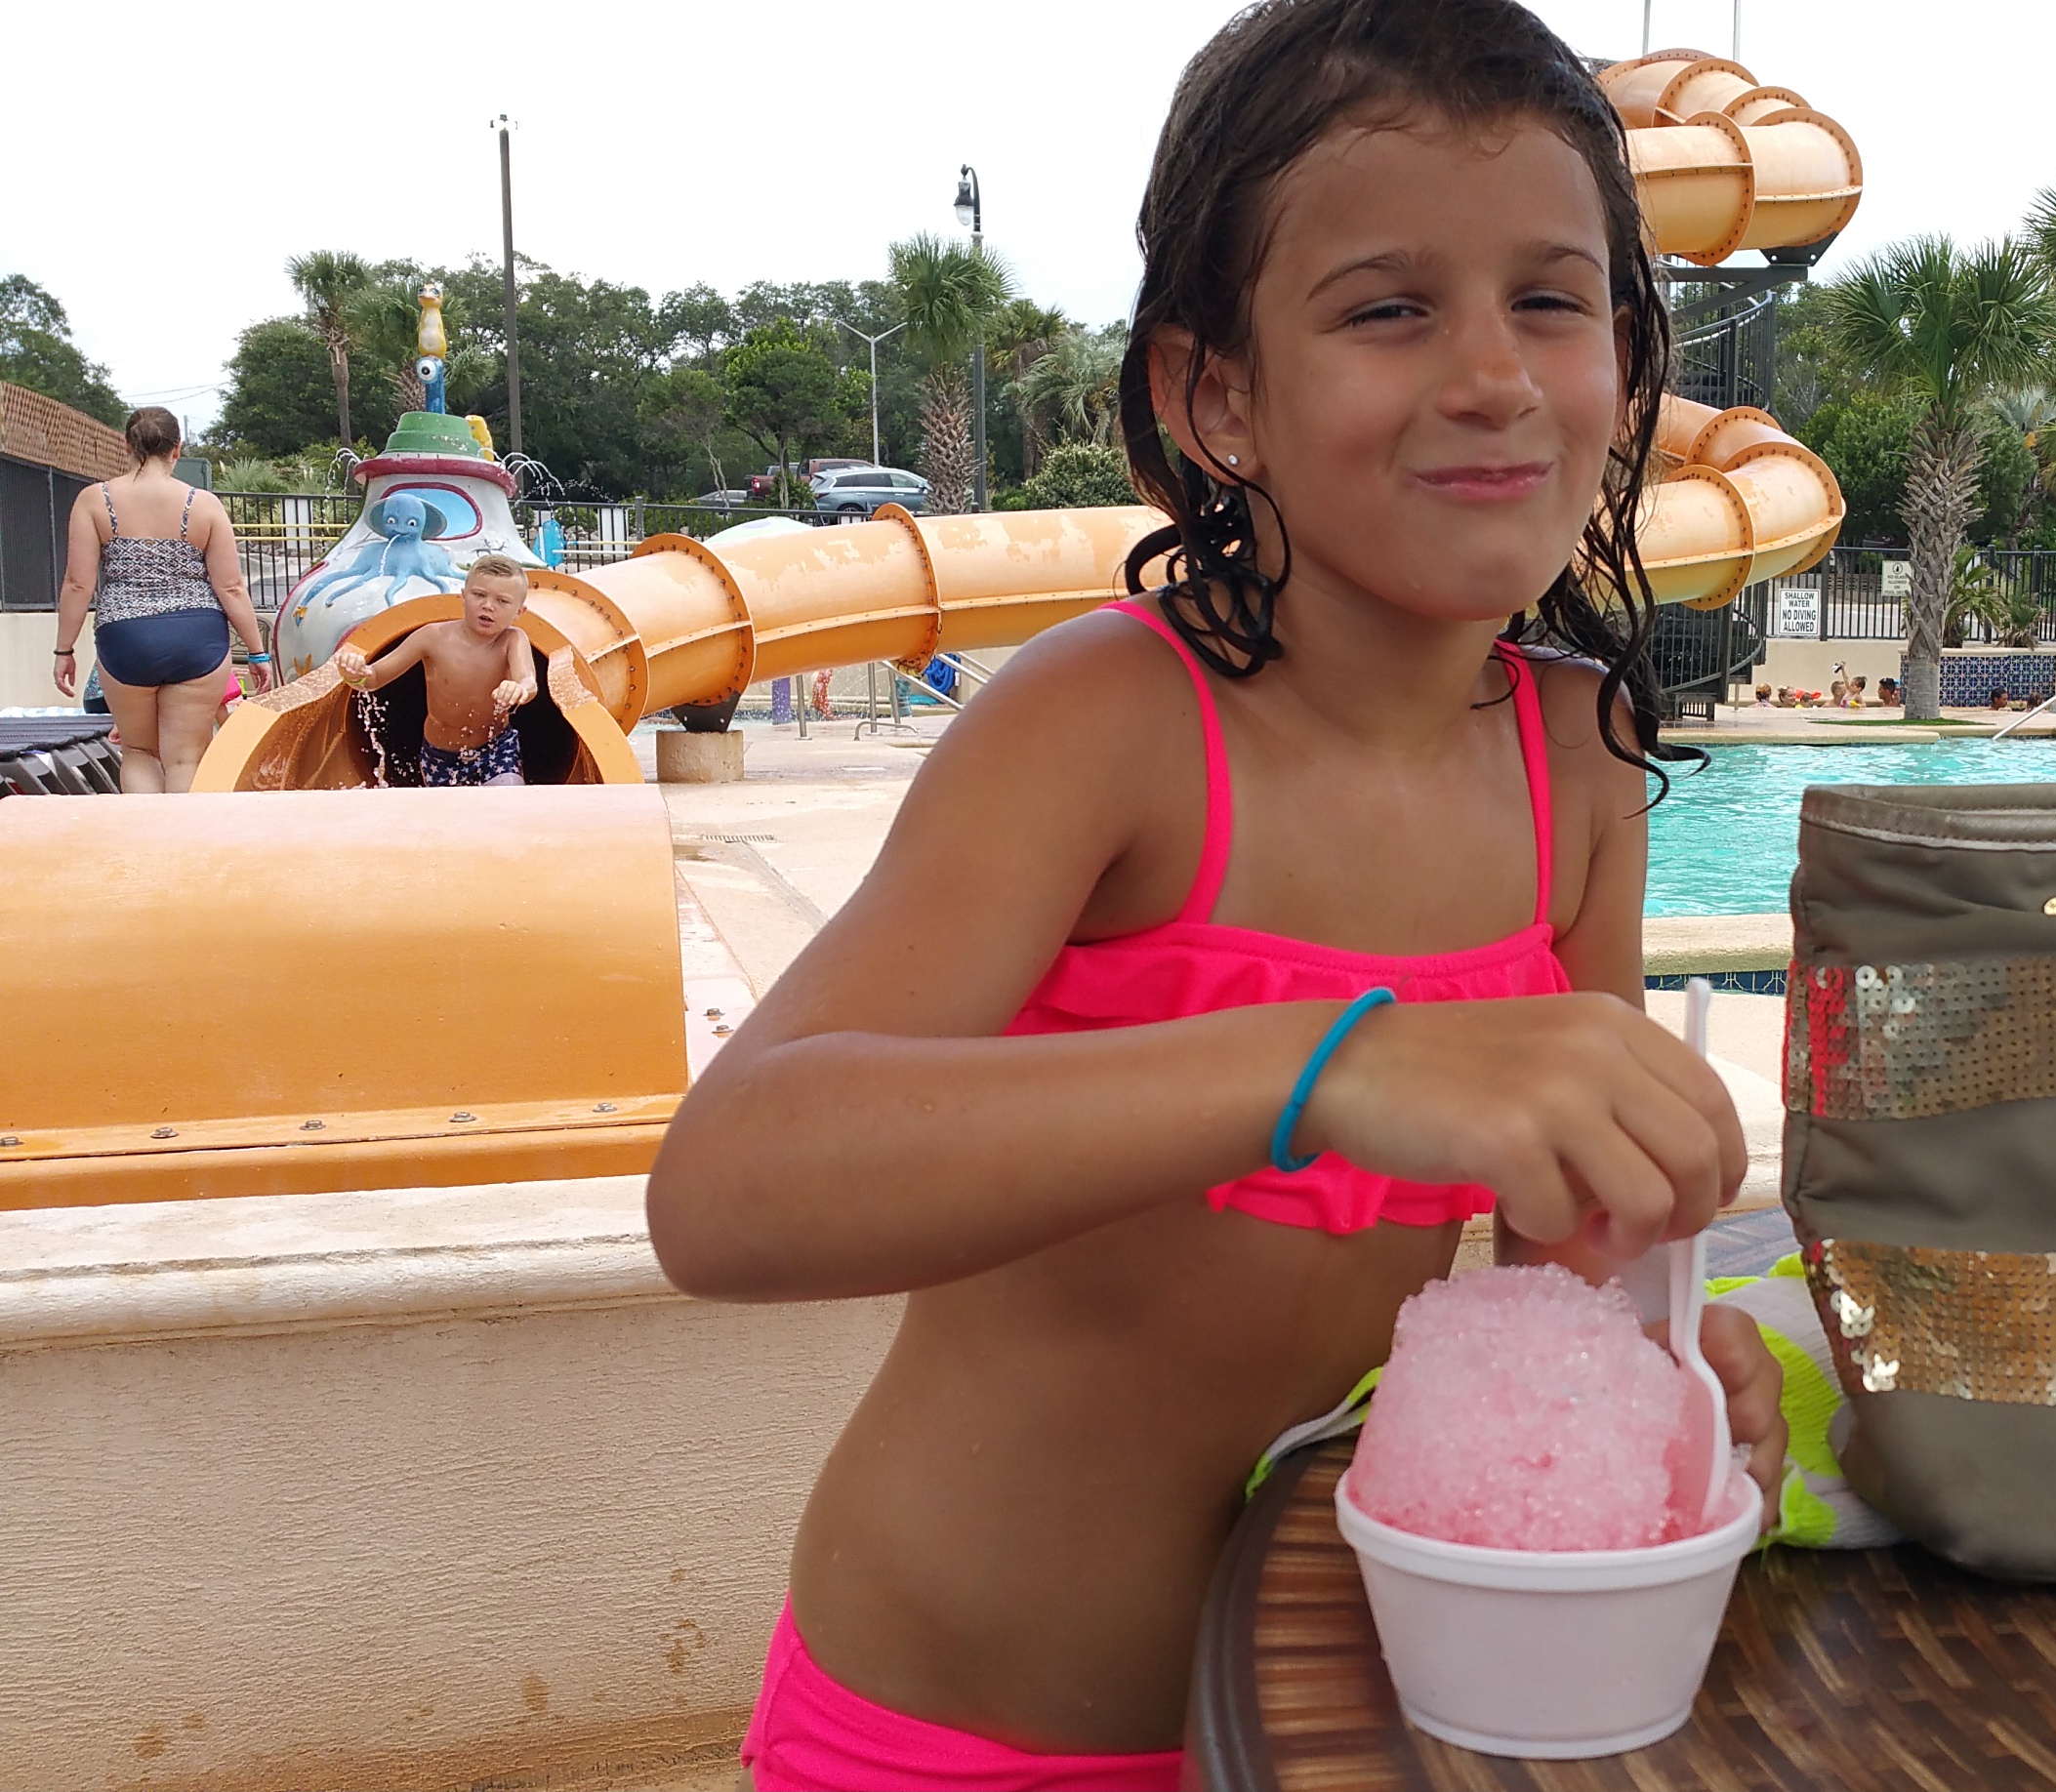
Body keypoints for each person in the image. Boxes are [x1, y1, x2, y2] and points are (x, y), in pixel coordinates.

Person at [642, 6, 1786, 1785]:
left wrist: (1657, 1369)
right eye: (1388, 309)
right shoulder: (1110, 727)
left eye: (1551, 302)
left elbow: (1575, 1236)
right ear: (1216, 394)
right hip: (949, 1734)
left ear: (1624, 367)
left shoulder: (1576, 758)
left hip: (1333, 1718)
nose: (1492, 374)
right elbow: (726, 1194)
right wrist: (1331, 1064)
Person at [50, 407, 267, 792]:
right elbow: (231, 587)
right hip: (196, 637)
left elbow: (78, 584)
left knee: (139, 751)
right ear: (177, 449)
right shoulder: (204, 504)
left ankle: (144, 831)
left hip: (126, 636)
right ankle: (185, 831)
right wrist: (257, 652)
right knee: (186, 757)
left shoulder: (94, 501)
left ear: (127, 444)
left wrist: (64, 650)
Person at [329, 553, 539, 787]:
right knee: (448, 809)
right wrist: (355, 675)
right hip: (441, 754)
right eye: (479, 595)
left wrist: (519, 688)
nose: (488, 606)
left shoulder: (513, 640)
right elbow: (374, 679)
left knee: (508, 796)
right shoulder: (432, 637)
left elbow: (528, 680)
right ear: (463, 596)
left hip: (496, 747)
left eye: (502, 601)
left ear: (519, 612)